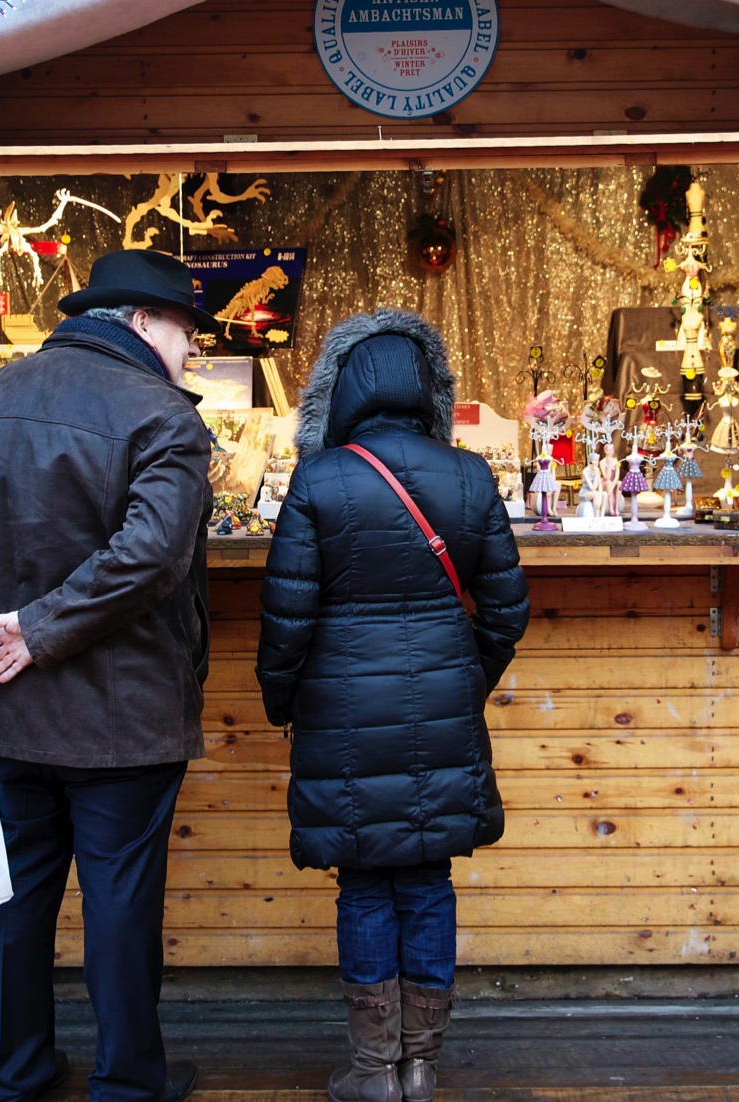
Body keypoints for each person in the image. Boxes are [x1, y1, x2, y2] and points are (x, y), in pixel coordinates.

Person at [0, 248, 217, 1102]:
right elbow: (152, 555)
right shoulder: (166, 418)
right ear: (144, 323)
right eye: (188, 331)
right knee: (119, 908)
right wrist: (39, 630)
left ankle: (19, 1069)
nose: (194, 350)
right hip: (126, 717)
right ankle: (129, 1083)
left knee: (16, 899)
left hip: (5, 709)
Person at [256, 309, 530, 1102]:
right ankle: (423, 1063)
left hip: (340, 719)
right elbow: (507, 612)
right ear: (424, 391)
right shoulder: (471, 476)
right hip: (442, 710)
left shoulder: (318, 479)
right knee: (430, 881)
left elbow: (289, 619)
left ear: (340, 394)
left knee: (364, 886)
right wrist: (460, 684)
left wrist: (284, 700)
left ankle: (374, 1070)